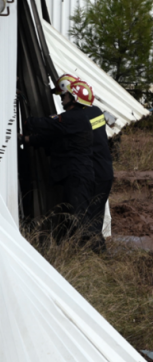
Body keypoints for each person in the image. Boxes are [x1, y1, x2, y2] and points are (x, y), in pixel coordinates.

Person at [23, 79, 95, 240]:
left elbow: (48, 124)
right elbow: (52, 137)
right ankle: (75, 252)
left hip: (77, 175)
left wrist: (28, 121)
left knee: (80, 218)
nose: (63, 96)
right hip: (77, 175)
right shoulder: (75, 119)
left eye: (66, 94)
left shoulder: (72, 118)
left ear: (74, 98)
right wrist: (27, 140)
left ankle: (93, 252)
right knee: (71, 217)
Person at [52, 75, 113, 252]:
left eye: (63, 95)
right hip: (102, 171)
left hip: (95, 173)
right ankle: (94, 258)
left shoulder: (81, 117)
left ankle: (98, 258)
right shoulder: (94, 111)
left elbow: (65, 134)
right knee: (94, 217)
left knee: (89, 220)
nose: (62, 100)